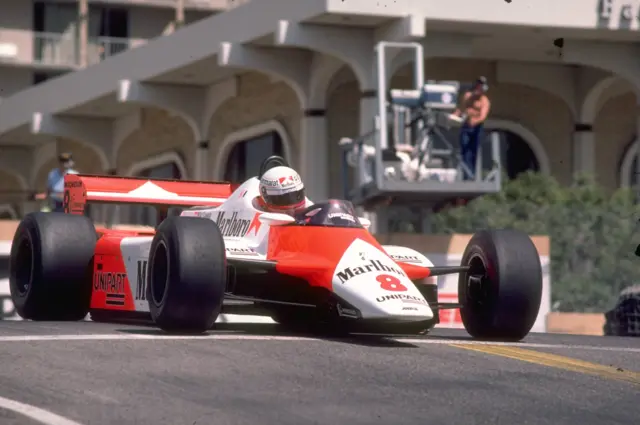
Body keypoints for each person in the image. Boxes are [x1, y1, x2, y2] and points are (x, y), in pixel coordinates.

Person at [453, 76, 492, 180]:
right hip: (466, 126)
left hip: (476, 127)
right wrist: (455, 116)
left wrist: (474, 121)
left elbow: (482, 116)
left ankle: (471, 174)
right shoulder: (468, 96)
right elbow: (461, 109)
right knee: (465, 149)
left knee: (473, 150)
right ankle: (465, 173)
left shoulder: (484, 101)